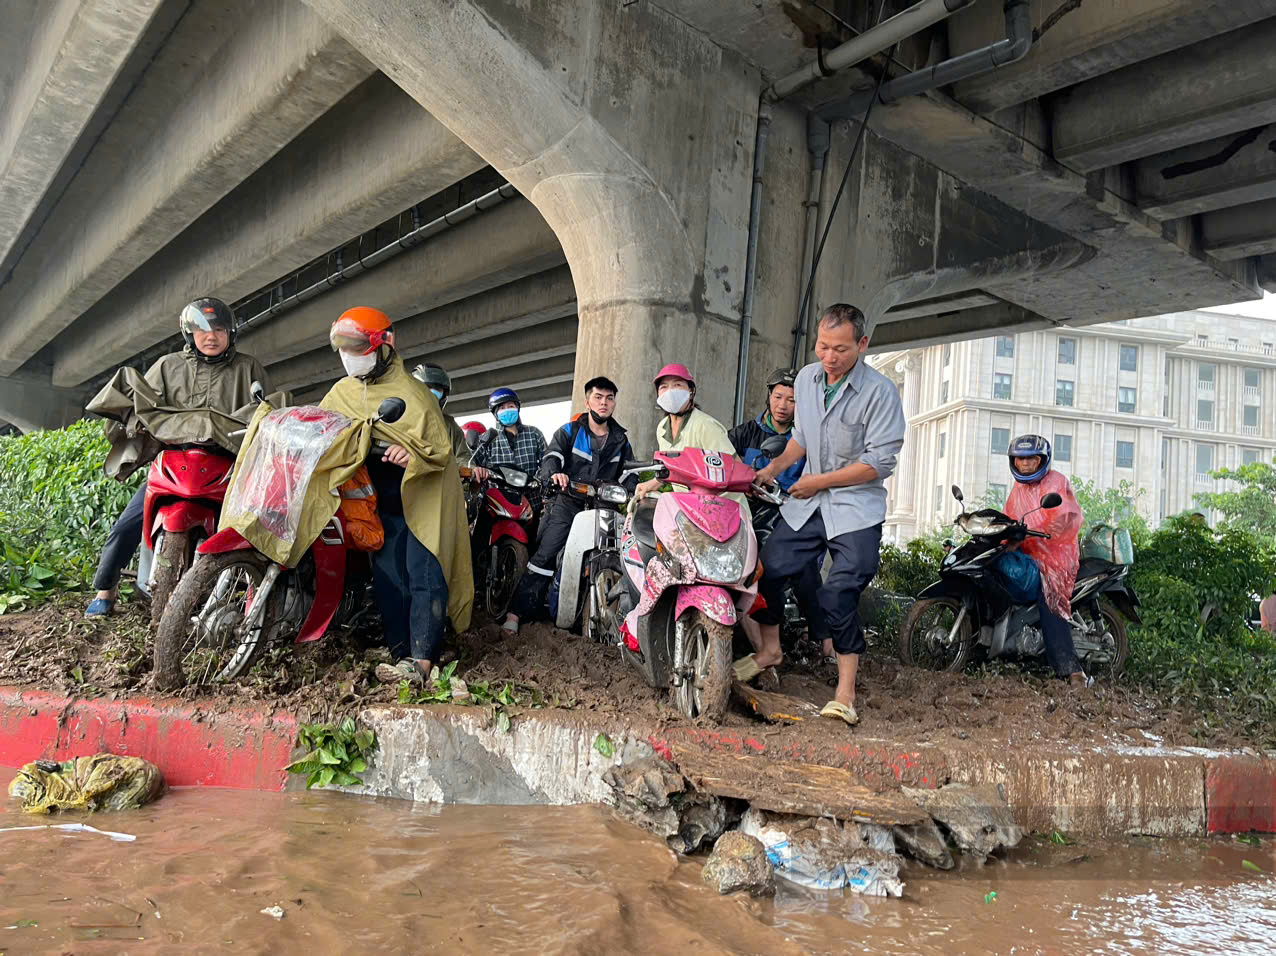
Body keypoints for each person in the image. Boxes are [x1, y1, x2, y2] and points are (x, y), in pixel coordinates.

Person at [751, 304, 906, 727]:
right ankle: (770, 649)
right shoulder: (806, 378)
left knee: (837, 593)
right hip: (809, 506)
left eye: (839, 348)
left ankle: (845, 691)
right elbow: (801, 438)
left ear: (862, 344)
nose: (829, 356)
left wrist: (819, 482)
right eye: (822, 346)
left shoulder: (881, 393)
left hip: (857, 510)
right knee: (764, 570)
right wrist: (773, 469)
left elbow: (878, 464)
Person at [85, 297, 270, 617]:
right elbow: (146, 403)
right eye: (201, 330)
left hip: (225, 462)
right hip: (175, 460)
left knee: (256, 527)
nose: (211, 336)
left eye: (219, 329)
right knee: (127, 524)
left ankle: (253, 599)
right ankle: (106, 589)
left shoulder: (247, 367)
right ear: (189, 334)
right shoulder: (168, 366)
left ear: (231, 333)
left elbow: (263, 409)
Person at [320, 307, 473, 683]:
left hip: (422, 496)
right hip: (377, 499)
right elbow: (323, 431)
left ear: (384, 344)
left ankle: (423, 660)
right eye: (343, 350)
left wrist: (413, 454)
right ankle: (401, 654)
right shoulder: (341, 393)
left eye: (357, 349)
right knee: (389, 576)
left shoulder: (414, 395)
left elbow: (438, 452)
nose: (350, 359)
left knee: (424, 571)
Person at [501, 376, 636, 634]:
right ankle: (516, 612)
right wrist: (555, 473)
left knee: (617, 556)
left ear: (614, 403)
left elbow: (629, 473)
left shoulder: (621, 440)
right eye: (598, 397)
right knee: (547, 553)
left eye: (609, 398)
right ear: (587, 401)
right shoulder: (569, 431)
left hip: (603, 507)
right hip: (568, 501)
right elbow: (551, 456)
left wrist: (630, 490)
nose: (603, 403)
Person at [728, 367, 830, 661]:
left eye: (792, 399)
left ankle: (826, 642)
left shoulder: (806, 438)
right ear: (769, 396)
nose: (783, 404)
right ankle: (757, 643)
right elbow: (722, 453)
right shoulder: (746, 431)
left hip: (790, 512)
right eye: (778, 396)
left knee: (804, 569)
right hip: (749, 510)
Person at [1003, 434, 1088, 688]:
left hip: (1056, 555)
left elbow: (1065, 517)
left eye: (1031, 459)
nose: (1025, 464)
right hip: (1028, 551)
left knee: (1048, 594)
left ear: (1042, 460)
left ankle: (1071, 670)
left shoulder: (1056, 482)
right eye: (1020, 459)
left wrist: (1032, 528)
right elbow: (1009, 516)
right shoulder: (1018, 489)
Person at [633, 364, 742, 512]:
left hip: (725, 511)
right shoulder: (662, 428)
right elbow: (673, 468)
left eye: (677, 385)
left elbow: (736, 468)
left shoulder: (705, 426)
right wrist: (652, 483)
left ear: (691, 391)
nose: (670, 392)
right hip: (690, 510)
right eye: (664, 387)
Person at [470, 388, 548, 503]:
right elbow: (471, 462)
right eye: (502, 408)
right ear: (495, 414)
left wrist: (539, 480)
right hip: (498, 503)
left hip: (532, 501)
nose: (507, 410)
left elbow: (547, 462)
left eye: (511, 406)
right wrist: (475, 469)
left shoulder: (534, 434)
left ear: (517, 408)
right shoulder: (487, 438)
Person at [411, 362, 470, 463]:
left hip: (442, 477)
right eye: (426, 387)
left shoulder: (450, 425)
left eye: (437, 388)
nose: (431, 392)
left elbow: (463, 458)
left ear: (444, 394)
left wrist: (472, 469)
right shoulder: (399, 416)